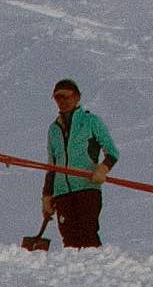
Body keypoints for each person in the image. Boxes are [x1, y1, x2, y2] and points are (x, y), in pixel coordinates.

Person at [42, 78, 116, 246]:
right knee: (69, 240)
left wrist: (103, 168)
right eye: (58, 98)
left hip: (87, 188)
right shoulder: (53, 129)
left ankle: (96, 269)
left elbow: (112, 152)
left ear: (77, 97)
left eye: (66, 97)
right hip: (62, 193)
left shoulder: (91, 122)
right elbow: (51, 166)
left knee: (88, 234)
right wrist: (47, 195)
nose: (62, 102)